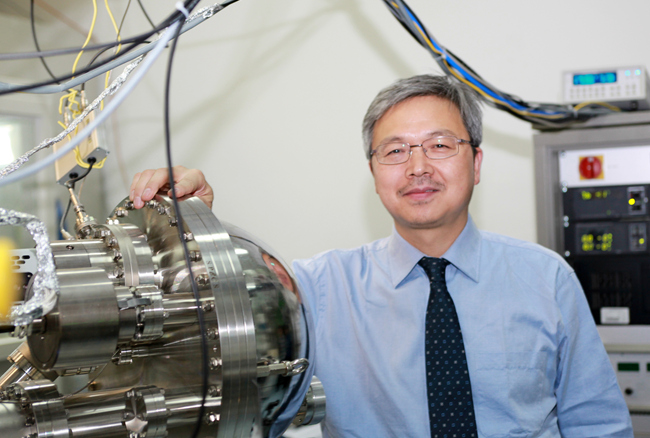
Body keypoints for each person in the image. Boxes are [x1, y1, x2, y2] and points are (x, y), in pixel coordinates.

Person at [129, 75, 632, 437]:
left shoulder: (545, 278)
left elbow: (597, 424)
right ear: (373, 173)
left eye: (439, 145)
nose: (417, 167)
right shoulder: (317, 289)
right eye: (394, 151)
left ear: (476, 163)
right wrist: (199, 229)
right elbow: (233, 360)